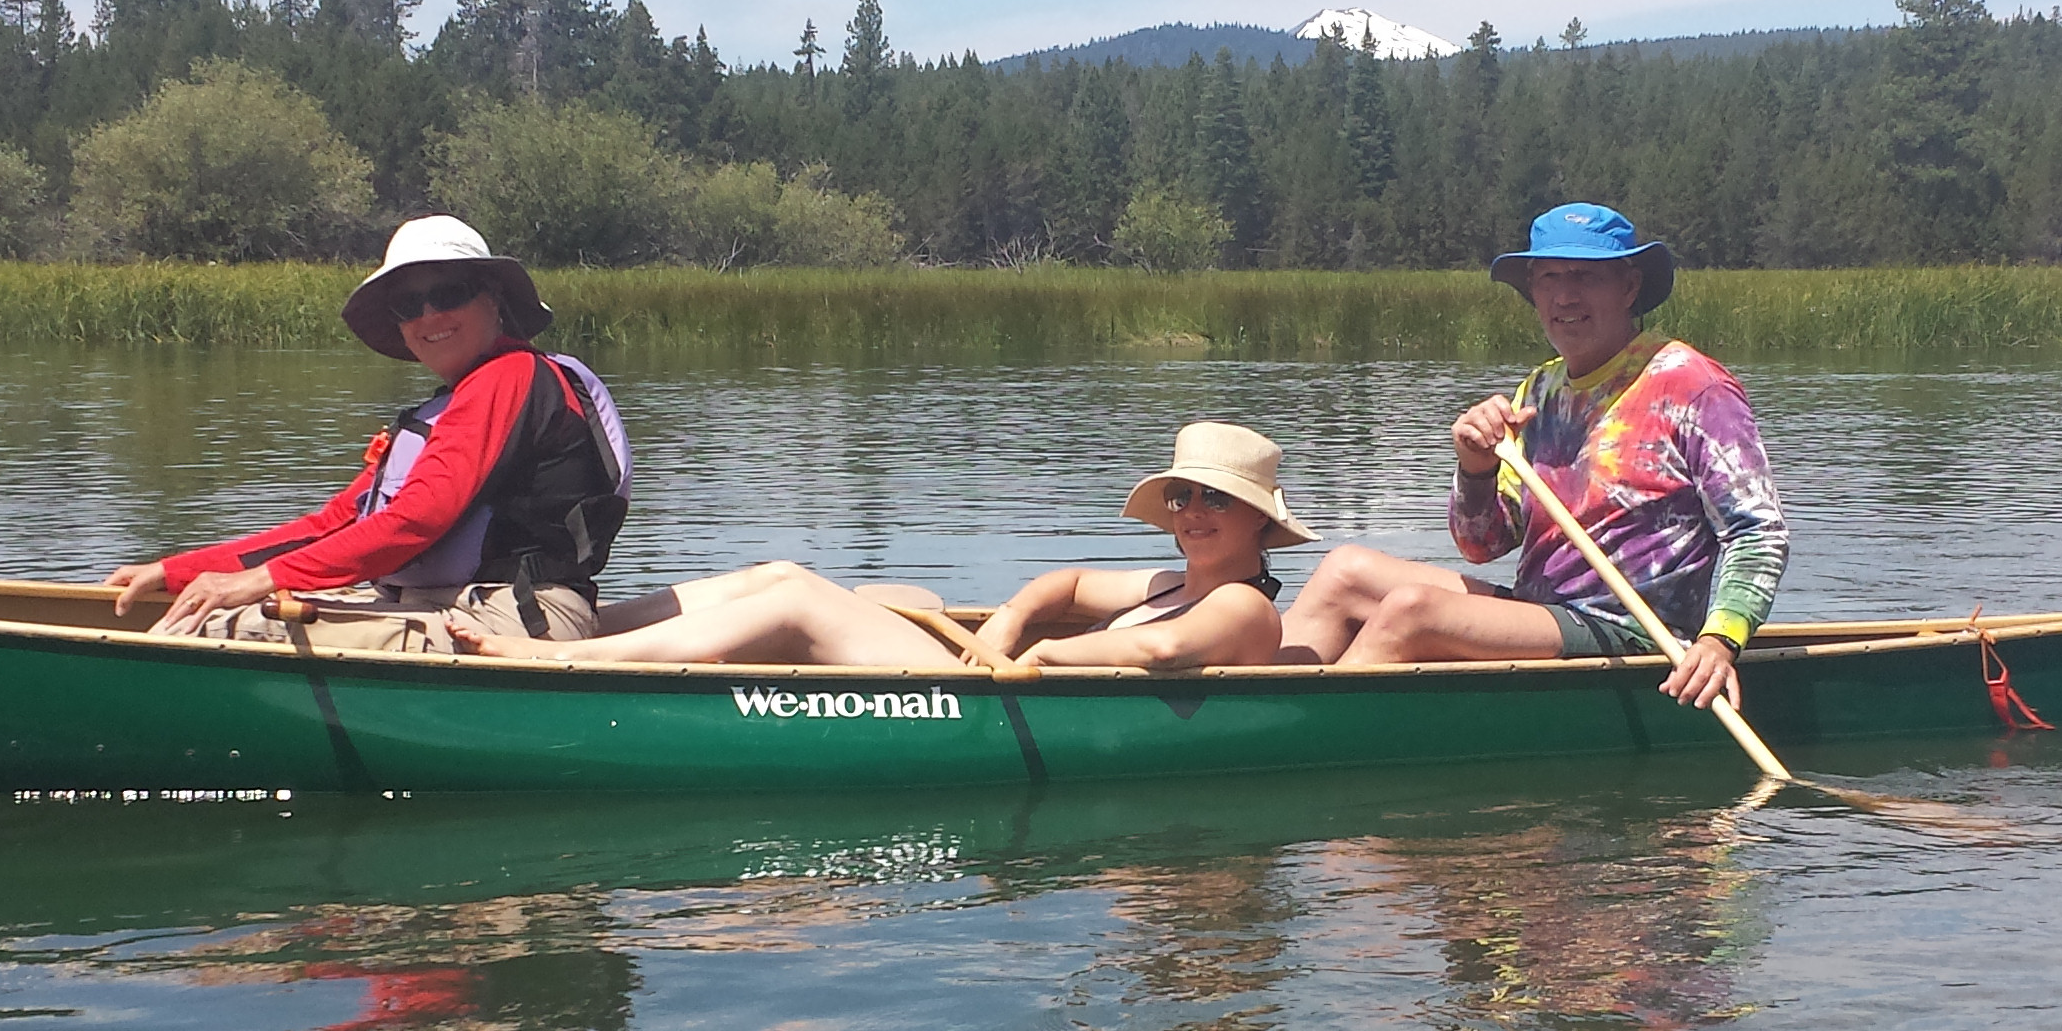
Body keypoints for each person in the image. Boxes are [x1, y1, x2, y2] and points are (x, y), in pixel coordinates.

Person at [1277, 202, 1786, 711]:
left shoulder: (1692, 385)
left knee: (1414, 611)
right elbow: (1483, 545)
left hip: (1634, 630)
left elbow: (1757, 531)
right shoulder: (1540, 390)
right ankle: (1251, 706)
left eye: (1585, 276)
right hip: (1541, 613)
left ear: (1629, 287)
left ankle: (1297, 734)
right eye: (1548, 277)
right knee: (1344, 571)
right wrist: (1476, 469)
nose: (1565, 295)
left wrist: (1720, 641)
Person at [108, 215, 631, 649]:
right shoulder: (455, 403)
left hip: (514, 621)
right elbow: (336, 524)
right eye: (409, 305)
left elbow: (416, 520)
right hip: (452, 606)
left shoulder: (508, 377)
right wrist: (177, 570)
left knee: (217, 626)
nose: (430, 315)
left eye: (449, 292)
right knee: (214, 606)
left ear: (492, 299)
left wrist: (260, 581)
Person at [449, 422, 1311, 672]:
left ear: (1259, 525)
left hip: (990, 697)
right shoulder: (1169, 574)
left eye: (1216, 502)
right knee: (782, 572)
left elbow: (1157, 651)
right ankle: (585, 637)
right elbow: (1067, 580)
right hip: (986, 671)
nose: (1193, 512)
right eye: (1183, 496)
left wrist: (1038, 666)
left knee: (793, 603)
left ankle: (560, 667)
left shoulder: (1239, 605)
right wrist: (1008, 626)